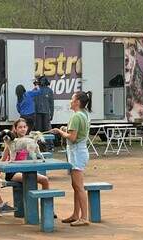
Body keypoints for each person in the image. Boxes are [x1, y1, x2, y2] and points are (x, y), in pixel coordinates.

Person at [50, 91, 92, 227]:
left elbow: (72, 138)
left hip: (77, 152)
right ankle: (75, 214)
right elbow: (76, 132)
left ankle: (84, 217)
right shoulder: (84, 113)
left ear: (77, 102)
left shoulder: (76, 116)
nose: (70, 101)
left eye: (72, 99)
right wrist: (66, 129)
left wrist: (60, 132)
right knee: (75, 185)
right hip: (80, 151)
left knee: (79, 187)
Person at [0, 118, 49, 189]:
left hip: (24, 169)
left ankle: (44, 199)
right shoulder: (10, 143)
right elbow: (2, 160)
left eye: (24, 127)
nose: (23, 129)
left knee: (45, 179)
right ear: (15, 129)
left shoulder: (28, 140)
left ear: (27, 128)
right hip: (13, 172)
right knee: (31, 180)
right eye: (20, 127)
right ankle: (29, 200)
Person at [34, 76, 54, 150]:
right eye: (41, 80)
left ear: (46, 81)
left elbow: (51, 103)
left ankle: (50, 146)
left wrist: (52, 113)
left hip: (46, 113)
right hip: (38, 113)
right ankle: (39, 145)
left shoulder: (49, 91)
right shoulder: (36, 90)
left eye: (43, 80)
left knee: (47, 129)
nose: (42, 81)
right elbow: (34, 102)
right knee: (38, 130)